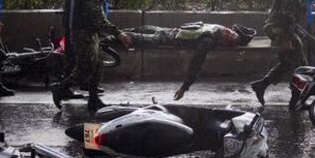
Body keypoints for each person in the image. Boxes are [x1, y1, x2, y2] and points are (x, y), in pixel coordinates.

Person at [53, 0, 131, 112]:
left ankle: (94, 99)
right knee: (85, 67)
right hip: (84, 34)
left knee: (97, 66)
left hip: (90, 33)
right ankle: (60, 89)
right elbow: (98, 19)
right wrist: (118, 33)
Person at [104, 22, 256, 100]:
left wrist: (185, 87)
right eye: (230, 31)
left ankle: (107, 38)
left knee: (136, 35)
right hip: (166, 32)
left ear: (227, 43)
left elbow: (196, 64)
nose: (228, 32)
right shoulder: (215, 31)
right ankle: (106, 37)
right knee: (134, 33)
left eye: (231, 36)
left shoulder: (208, 41)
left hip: (166, 35)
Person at [251, 0, 315, 105]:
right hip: (281, 29)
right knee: (299, 66)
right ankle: (295, 99)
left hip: (284, 28)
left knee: (289, 63)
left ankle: (261, 86)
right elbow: (286, 15)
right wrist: (286, 39)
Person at [62, 0, 107, 98]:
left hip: (76, 20)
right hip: (79, 23)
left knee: (87, 58)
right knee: (75, 55)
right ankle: (65, 88)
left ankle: (86, 86)